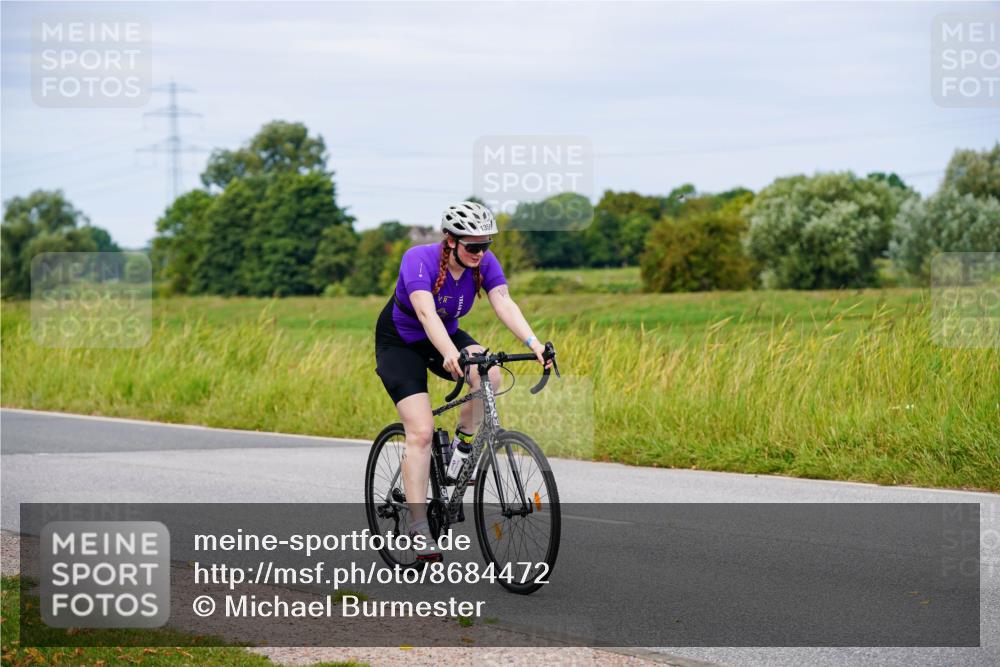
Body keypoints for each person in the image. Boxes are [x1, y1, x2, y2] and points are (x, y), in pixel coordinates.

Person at [374, 201, 552, 561]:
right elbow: (425, 312)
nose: (480, 253)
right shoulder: (418, 259)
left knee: (491, 372)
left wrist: (534, 344)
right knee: (421, 432)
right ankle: (419, 528)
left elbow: (503, 301)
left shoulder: (482, 262)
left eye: (485, 245)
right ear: (450, 240)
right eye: (472, 246)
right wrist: (448, 353)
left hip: (447, 334)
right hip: (402, 341)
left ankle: (463, 448)